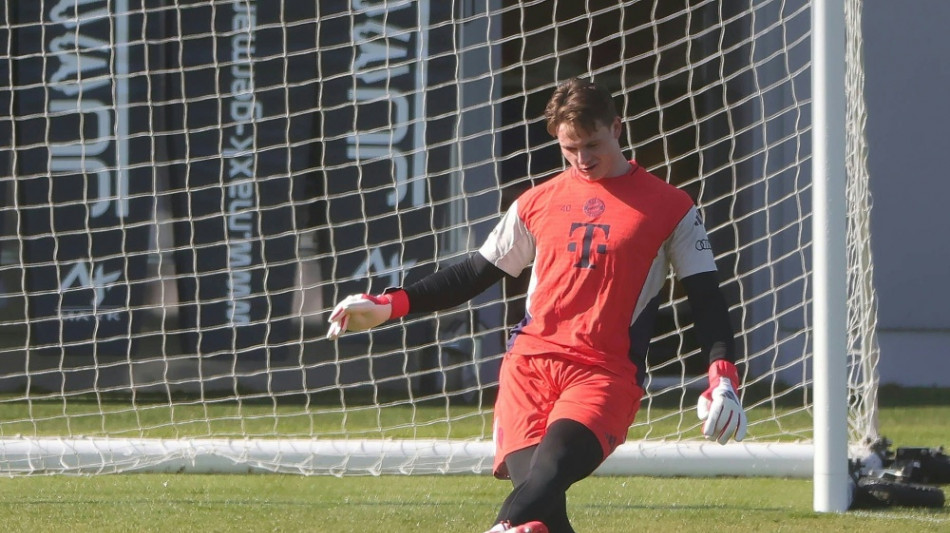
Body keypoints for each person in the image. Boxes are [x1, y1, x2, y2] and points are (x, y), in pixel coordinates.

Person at [325, 78, 747, 533]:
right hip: (528, 368)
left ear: (617, 128)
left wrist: (721, 375)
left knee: (549, 474)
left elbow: (706, 296)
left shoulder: (672, 207)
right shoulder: (536, 202)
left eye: (592, 144)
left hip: (603, 373)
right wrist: (391, 305)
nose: (583, 159)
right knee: (541, 510)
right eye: (570, 148)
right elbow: (474, 273)